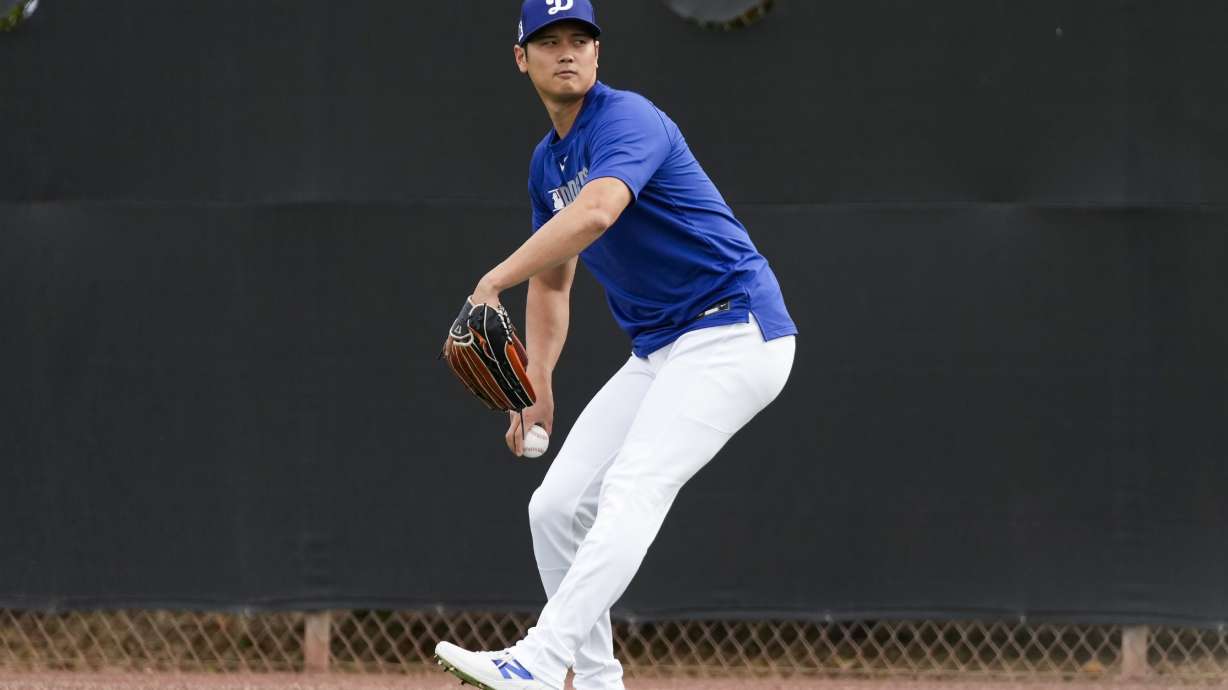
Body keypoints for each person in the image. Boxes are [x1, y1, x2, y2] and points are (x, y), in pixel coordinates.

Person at [435, 1, 797, 688]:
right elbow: (553, 284)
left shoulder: (629, 118)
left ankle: (539, 663)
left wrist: (489, 282)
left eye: (580, 38)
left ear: (598, 54)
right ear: (523, 59)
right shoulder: (548, 163)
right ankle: (598, 682)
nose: (566, 51)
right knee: (554, 507)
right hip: (663, 349)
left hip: (736, 329)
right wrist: (537, 376)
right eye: (548, 40)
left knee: (632, 485)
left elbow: (598, 211)